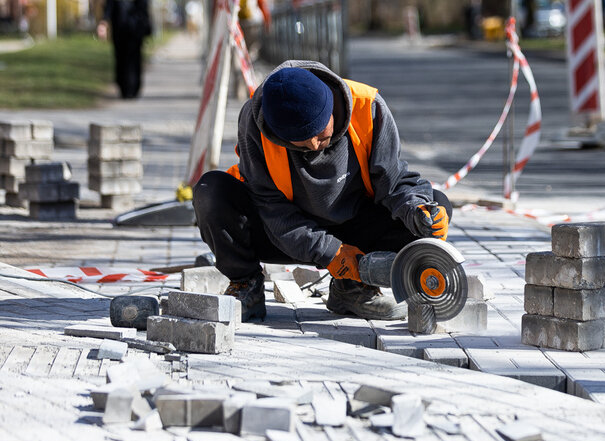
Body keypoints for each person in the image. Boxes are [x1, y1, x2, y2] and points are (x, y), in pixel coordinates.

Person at [192, 61, 451, 322]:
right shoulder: (255, 122)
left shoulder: (368, 107)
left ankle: (352, 288)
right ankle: (246, 285)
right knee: (210, 192)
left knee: (435, 205)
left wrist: (416, 209)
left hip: (358, 226)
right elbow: (271, 208)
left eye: (319, 133)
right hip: (285, 232)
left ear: (332, 107)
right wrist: (330, 252)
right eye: (302, 142)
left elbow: (392, 181)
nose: (315, 145)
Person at [98, 0, 152, 99]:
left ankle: (133, 87)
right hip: (120, 29)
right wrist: (104, 22)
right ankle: (124, 88)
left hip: (135, 30)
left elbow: (143, 7)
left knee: (134, 59)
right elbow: (109, 6)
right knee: (121, 58)